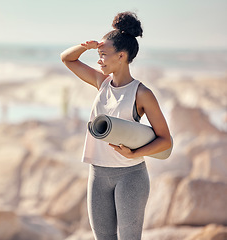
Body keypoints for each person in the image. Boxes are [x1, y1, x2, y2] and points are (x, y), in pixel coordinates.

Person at [60, 12, 172, 240]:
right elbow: (67, 59)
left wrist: (135, 153)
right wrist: (87, 47)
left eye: (103, 55)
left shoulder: (142, 94)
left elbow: (165, 140)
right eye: (98, 55)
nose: (99, 60)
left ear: (121, 56)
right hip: (98, 174)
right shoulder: (102, 83)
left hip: (131, 176)